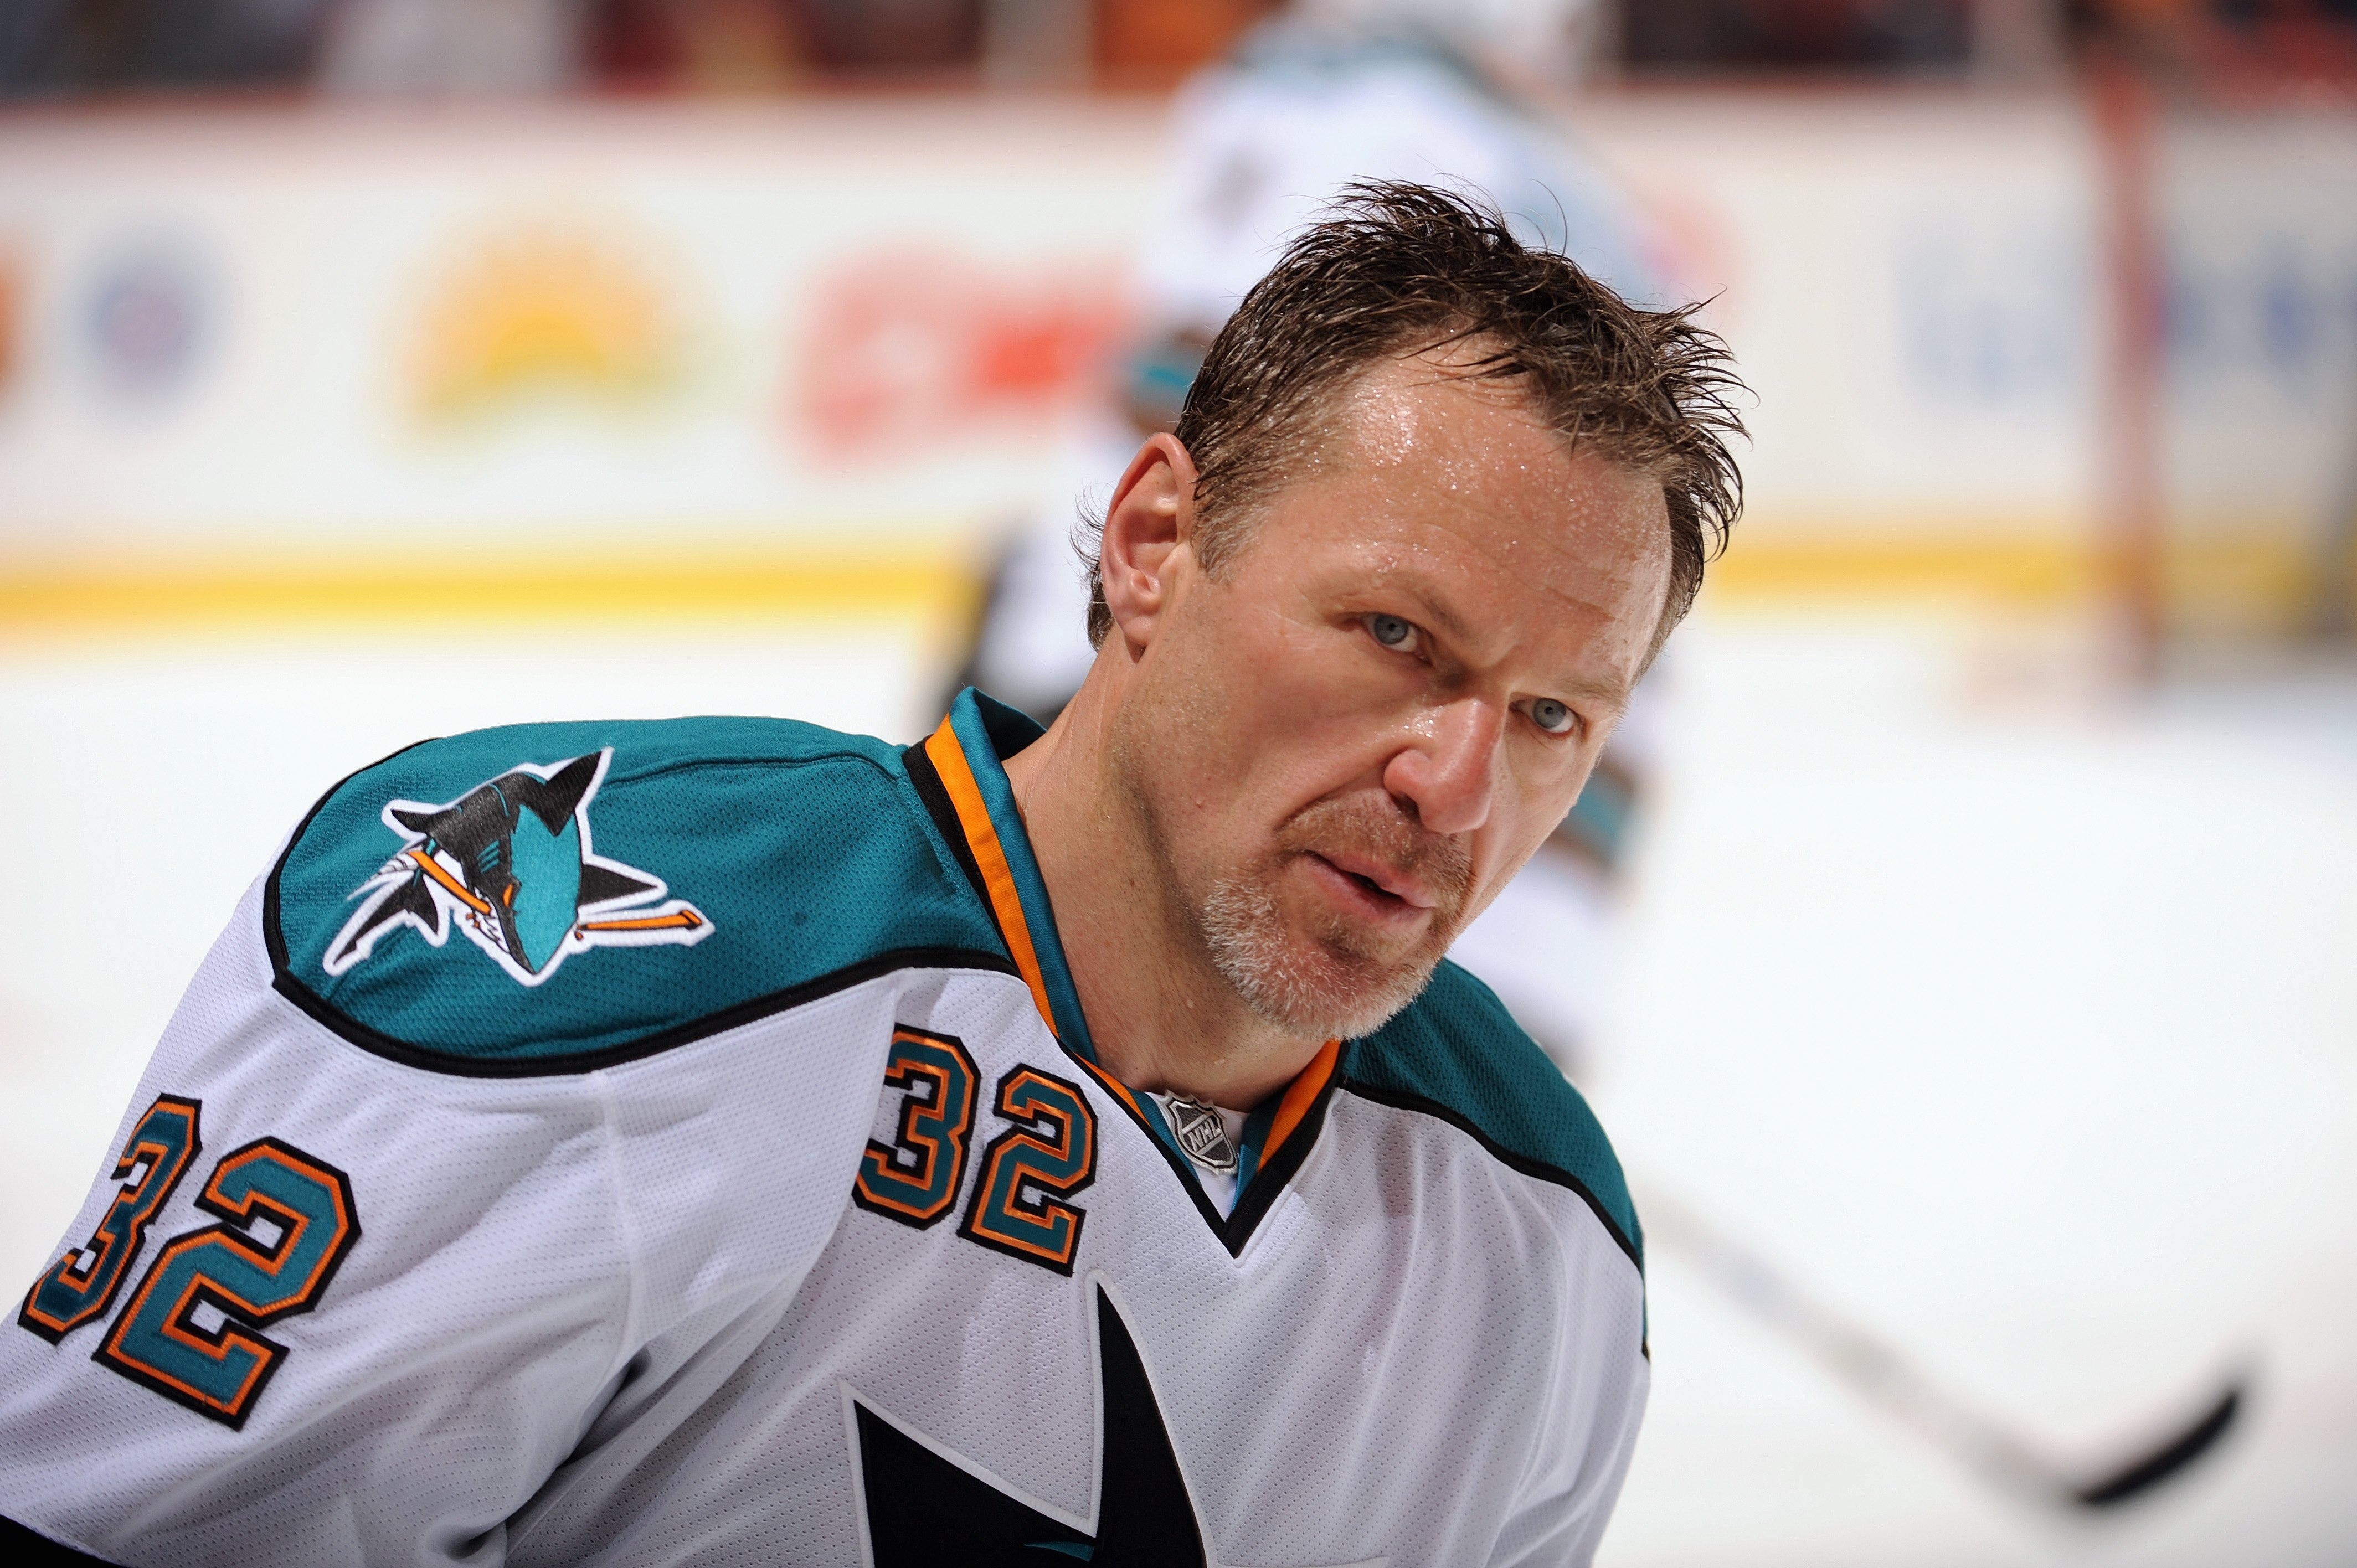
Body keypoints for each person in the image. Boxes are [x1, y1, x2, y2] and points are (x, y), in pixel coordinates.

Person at [0, 184, 1742, 1567]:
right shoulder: (576, 960)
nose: (1456, 789)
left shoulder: (1537, 1244)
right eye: (1392, 637)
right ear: (1153, 545)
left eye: (1550, 717)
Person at [957, 0, 1667, 1073]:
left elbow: (1183, 399)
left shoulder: (1314, 104)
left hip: (1111, 691)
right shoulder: (1576, 208)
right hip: (1423, 893)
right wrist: (1524, 1029)